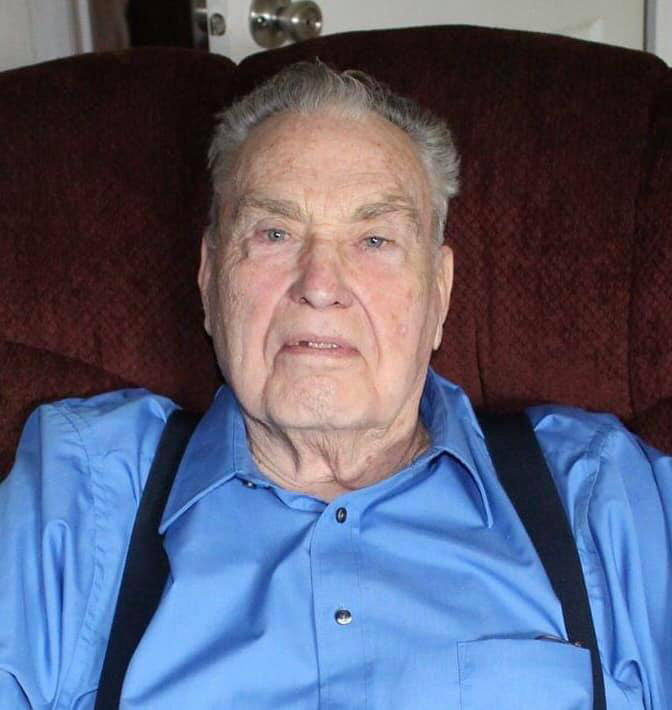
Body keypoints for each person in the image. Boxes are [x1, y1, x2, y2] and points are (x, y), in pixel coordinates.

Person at [0, 62, 669, 709]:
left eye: (374, 240)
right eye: (275, 233)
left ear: (439, 292)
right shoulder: (84, 489)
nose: (320, 285)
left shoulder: (598, 493)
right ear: (209, 279)